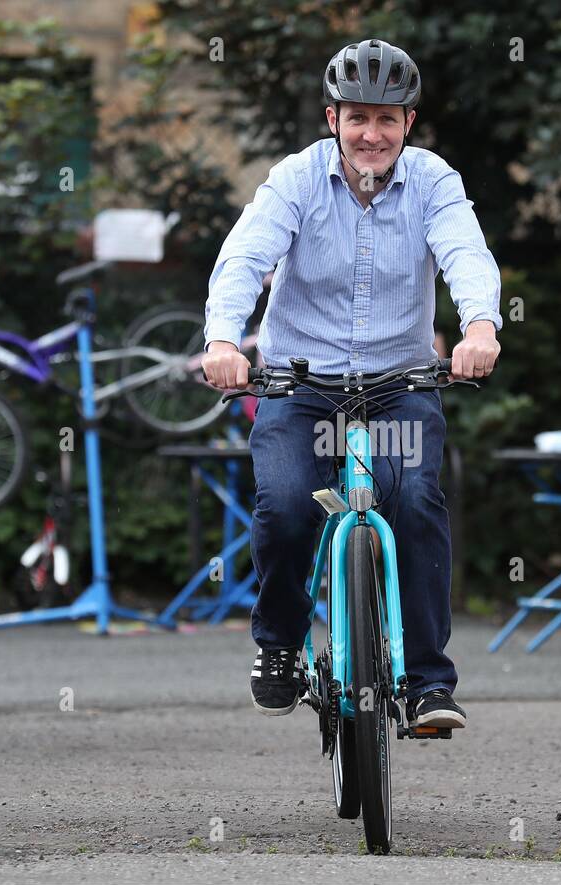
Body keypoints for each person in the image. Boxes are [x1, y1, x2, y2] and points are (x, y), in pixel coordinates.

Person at [202, 39, 502, 729]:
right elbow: (245, 257)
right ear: (331, 117)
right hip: (297, 384)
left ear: (410, 123)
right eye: (358, 116)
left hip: (400, 383)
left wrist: (480, 326)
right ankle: (278, 642)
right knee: (285, 504)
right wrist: (223, 338)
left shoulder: (433, 182)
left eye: (388, 119)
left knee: (416, 501)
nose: (373, 133)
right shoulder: (296, 179)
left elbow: (466, 252)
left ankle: (428, 682)